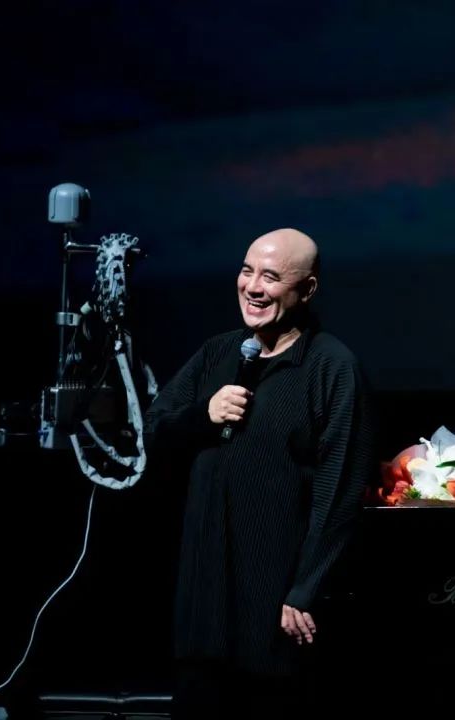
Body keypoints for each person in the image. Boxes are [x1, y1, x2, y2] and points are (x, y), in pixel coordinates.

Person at [144, 228, 375, 718]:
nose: (252, 287)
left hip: (275, 605)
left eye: (270, 277)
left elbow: (341, 489)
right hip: (203, 603)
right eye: (247, 271)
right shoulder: (218, 353)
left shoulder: (331, 367)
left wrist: (306, 588)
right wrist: (202, 416)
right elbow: (149, 433)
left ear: (306, 289)